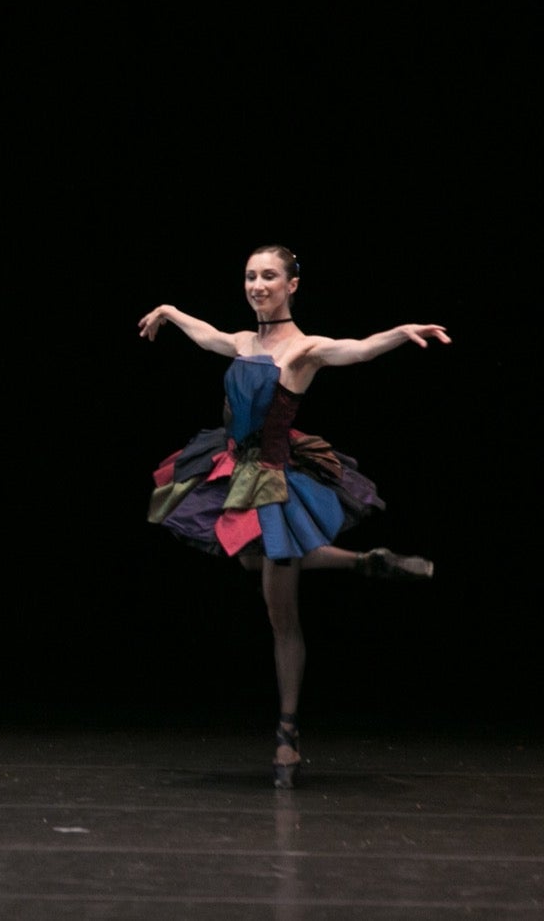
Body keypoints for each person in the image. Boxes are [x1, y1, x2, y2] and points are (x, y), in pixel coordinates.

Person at [138, 244, 448, 789]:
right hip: (233, 469)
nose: (257, 285)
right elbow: (207, 333)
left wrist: (400, 333)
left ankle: (287, 734)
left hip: (275, 481)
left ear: (292, 284)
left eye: (269, 276)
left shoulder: (303, 349)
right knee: (243, 561)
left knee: (281, 615)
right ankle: (365, 563)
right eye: (250, 276)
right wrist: (168, 311)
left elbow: (354, 349)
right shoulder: (242, 341)